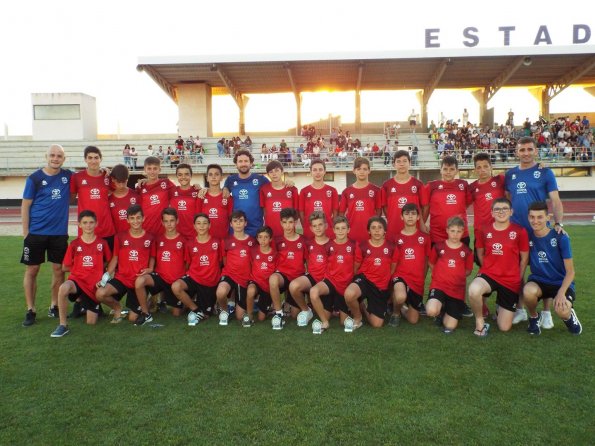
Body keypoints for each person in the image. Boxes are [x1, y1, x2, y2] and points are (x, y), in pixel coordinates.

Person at [505, 136, 564, 326]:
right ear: (516, 152)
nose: (526, 153)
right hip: (517, 231)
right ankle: (520, 309)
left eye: (530, 149)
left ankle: (546, 313)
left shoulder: (545, 172)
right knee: (518, 272)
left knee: (543, 271)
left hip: (540, 230)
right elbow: (507, 201)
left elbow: (555, 201)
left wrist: (558, 223)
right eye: (522, 150)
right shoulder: (510, 174)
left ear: (536, 151)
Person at [21, 144, 72, 327]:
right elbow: (25, 205)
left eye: (59, 155)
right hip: (36, 233)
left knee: (59, 270)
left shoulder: (68, 176)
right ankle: (30, 309)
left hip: (59, 234)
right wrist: (26, 232)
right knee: (32, 270)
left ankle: (54, 305)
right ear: (46, 156)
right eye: (52, 155)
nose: (55, 158)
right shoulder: (34, 178)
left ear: (64, 159)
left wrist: (104, 170)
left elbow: (87, 178)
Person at [468, 198, 529, 337]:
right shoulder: (484, 229)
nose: (501, 212)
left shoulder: (520, 231)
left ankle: (500, 309)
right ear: (492, 212)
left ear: (511, 211)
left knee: (504, 327)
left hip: (510, 280)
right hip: (489, 275)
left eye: (504, 209)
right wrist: (489, 269)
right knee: (473, 290)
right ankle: (480, 322)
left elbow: (524, 258)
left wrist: (518, 278)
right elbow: (480, 253)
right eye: (497, 209)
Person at [50, 210, 112, 337]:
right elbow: (65, 267)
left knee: (91, 322)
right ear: (79, 225)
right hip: (77, 281)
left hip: (93, 285)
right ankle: (63, 325)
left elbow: (109, 261)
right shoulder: (74, 244)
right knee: (63, 288)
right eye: (85, 223)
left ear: (96, 224)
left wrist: (100, 270)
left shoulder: (102, 243)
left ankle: (87, 305)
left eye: (91, 222)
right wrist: (80, 269)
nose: (88, 225)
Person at [523, 202, 582, 335]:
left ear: (548, 218)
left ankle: (569, 317)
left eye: (540, 217)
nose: (535, 221)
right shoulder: (527, 236)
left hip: (560, 283)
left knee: (562, 309)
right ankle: (534, 317)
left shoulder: (560, 237)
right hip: (539, 281)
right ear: (528, 218)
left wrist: (561, 292)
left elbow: (571, 271)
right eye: (532, 217)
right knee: (528, 291)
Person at [95, 205, 156, 324]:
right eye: (132, 218)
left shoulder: (150, 238)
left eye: (138, 218)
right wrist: (106, 276)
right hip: (122, 278)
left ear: (143, 218)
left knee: (133, 318)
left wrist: (150, 268)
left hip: (137, 280)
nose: (135, 221)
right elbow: (115, 258)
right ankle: (117, 308)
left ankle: (147, 301)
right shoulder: (120, 237)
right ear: (127, 220)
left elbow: (152, 256)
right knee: (100, 293)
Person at [133, 208, 187, 326]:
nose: (169, 224)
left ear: (177, 221)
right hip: (160, 278)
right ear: (162, 223)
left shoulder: (183, 240)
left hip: (175, 281)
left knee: (177, 314)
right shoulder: (157, 239)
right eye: (166, 221)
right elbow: (152, 256)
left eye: (172, 220)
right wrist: (151, 268)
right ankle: (146, 313)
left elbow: (187, 262)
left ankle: (186, 302)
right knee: (140, 281)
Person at [171, 213, 224, 326]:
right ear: (194, 226)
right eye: (198, 223)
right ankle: (196, 309)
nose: (202, 226)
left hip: (210, 282)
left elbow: (220, 262)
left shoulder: (217, 242)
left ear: (209, 225)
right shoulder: (190, 243)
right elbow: (188, 264)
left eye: (205, 223)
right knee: (176, 289)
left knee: (206, 315)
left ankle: (203, 306)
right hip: (194, 277)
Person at [343, 217, 395, 331]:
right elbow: (356, 267)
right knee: (349, 294)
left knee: (377, 324)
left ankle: (363, 308)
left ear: (385, 230)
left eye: (380, 228)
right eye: (373, 228)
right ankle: (358, 317)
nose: (377, 231)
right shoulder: (362, 246)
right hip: (365, 279)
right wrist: (357, 281)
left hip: (380, 286)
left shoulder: (391, 247)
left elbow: (392, 268)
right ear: (368, 231)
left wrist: (385, 281)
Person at [308, 216, 357, 333]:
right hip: (330, 282)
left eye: (343, 228)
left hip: (345, 285)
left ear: (348, 229)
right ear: (333, 230)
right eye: (337, 228)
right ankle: (325, 322)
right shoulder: (328, 245)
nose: (340, 231)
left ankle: (358, 307)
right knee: (314, 292)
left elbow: (357, 266)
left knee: (343, 322)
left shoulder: (354, 245)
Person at [425, 217, 473, 334]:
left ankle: (445, 310)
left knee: (450, 326)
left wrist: (455, 276)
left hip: (456, 290)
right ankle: (439, 308)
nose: (455, 234)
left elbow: (468, 271)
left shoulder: (467, 251)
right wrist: (440, 274)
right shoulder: (438, 247)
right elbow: (431, 263)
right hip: (439, 286)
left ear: (463, 232)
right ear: (447, 230)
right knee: (431, 310)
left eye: (459, 231)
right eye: (452, 231)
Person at [389, 204, 430, 327]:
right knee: (401, 296)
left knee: (413, 320)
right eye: (407, 214)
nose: (410, 217)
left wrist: (422, 277)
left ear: (418, 217)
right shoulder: (396, 238)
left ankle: (402, 309)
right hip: (400, 275)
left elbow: (427, 260)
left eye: (413, 214)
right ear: (402, 217)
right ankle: (396, 313)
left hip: (416, 279)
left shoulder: (425, 238)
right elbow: (393, 261)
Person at [287, 211, 330, 327]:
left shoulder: (332, 244)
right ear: (311, 228)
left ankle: (325, 307)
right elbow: (306, 261)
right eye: (315, 226)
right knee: (293, 285)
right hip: (312, 277)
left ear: (326, 226)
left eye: (320, 225)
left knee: (324, 315)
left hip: (327, 281)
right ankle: (306, 310)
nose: (318, 228)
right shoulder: (308, 243)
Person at [70, 146, 115, 250]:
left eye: (96, 157)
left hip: (106, 229)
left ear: (101, 159)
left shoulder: (107, 176)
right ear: (85, 159)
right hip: (86, 231)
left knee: (109, 264)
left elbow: (119, 191)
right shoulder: (77, 177)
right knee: (88, 264)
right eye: (90, 158)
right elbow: (71, 198)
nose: (93, 161)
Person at [269, 208, 306, 329]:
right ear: (280, 223)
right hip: (283, 276)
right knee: (273, 279)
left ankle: (291, 302)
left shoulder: (303, 240)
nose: (288, 226)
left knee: (294, 315)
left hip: (297, 278)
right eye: (284, 222)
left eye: (290, 222)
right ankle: (278, 313)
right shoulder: (277, 240)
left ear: (295, 222)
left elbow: (308, 262)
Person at [215, 211, 255, 326]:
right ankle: (224, 311)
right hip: (230, 274)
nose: (238, 224)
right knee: (220, 292)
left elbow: (253, 263)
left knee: (239, 316)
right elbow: (225, 261)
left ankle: (236, 304)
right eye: (235, 221)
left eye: (241, 221)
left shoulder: (252, 242)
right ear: (231, 224)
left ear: (245, 223)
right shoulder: (226, 241)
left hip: (244, 279)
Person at [381, 149, 428, 242]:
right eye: (398, 161)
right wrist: (392, 219)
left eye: (404, 161)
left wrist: (421, 223)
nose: (401, 164)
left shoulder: (418, 184)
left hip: (414, 229)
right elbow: (385, 208)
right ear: (394, 164)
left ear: (410, 163)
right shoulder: (386, 185)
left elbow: (425, 206)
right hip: (393, 229)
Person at [424, 155, 472, 246]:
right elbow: (425, 208)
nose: (448, 172)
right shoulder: (431, 186)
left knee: (461, 260)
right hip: (437, 235)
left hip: (460, 234)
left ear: (457, 171)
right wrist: (422, 225)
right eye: (445, 169)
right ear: (440, 170)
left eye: (452, 169)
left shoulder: (464, 185)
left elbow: (467, 203)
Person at [221, 149, 270, 237]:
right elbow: (220, 191)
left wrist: (286, 182)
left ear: (251, 163)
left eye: (246, 161)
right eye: (240, 161)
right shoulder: (230, 180)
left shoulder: (260, 179)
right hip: (237, 229)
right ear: (236, 164)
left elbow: (275, 187)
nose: (243, 164)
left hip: (256, 229)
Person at [338, 157, 382, 243]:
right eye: (358, 169)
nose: (362, 171)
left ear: (369, 171)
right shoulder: (347, 192)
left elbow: (379, 211)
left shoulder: (376, 190)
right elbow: (341, 213)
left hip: (371, 235)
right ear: (354, 171)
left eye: (365, 169)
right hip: (352, 235)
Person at [244, 226, 277, 326]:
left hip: (267, 287)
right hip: (255, 281)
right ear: (257, 238)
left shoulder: (275, 254)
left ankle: (268, 307)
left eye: (266, 237)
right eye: (260, 237)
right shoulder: (253, 251)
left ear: (270, 239)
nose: (263, 240)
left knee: (261, 318)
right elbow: (249, 265)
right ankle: (249, 316)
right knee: (250, 291)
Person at [299, 160, 339, 239]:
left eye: (320, 170)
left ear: (325, 171)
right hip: (310, 232)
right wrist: (307, 226)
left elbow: (335, 212)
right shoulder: (304, 191)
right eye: (315, 170)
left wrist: (331, 226)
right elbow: (301, 212)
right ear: (310, 172)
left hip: (328, 232)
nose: (318, 172)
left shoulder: (332, 190)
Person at [137, 156, 175, 236]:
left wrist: (198, 187)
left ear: (159, 169)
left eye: (155, 168)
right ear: (145, 169)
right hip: (146, 229)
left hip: (164, 230)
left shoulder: (166, 183)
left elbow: (181, 192)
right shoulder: (140, 187)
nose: (152, 171)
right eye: (149, 168)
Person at [260, 160, 299, 237]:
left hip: (288, 234)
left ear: (282, 172)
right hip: (270, 234)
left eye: (277, 170)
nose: (274, 174)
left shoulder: (292, 189)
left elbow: (296, 212)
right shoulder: (263, 189)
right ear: (268, 175)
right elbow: (264, 212)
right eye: (271, 172)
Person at [196, 164, 233, 240]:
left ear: (221, 177)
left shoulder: (227, 197)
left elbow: (231, 218)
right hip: (206, 240)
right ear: (207, 178)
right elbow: (197, 218)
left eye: (216, 174)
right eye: (210, 174)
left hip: (224, 239)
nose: (213, 177)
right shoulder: (201, 196)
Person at [169, 163, 199, 239]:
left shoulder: (198, 191)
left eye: (186, 174)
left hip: (194, 235)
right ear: (176, 176)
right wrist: (146, 180)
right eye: (180, 174)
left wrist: (203, 188)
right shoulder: (171, 191)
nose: (183, 177)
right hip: (176, 235)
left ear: (191, 176)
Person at [108, 164, 139, 234]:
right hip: (117, 240)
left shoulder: (136, 196)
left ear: (128, 179)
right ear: (112, 179)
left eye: (124, 182)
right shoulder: (109, 200)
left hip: (135, 238)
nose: (121, 186)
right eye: (118, 182)